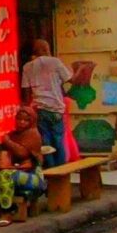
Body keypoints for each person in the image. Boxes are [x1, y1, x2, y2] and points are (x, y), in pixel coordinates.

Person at [19, 38, 72, 168]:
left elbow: (26, 90)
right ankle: (61, 171)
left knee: (45, 142)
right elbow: (69, 78)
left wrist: (25, 109)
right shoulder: (55, 62)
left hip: (39, 109)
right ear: (43, 50)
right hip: (55, 109)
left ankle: (51, 170)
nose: (49, 52)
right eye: (47, 49)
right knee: (58, 140)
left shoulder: (27, 67)